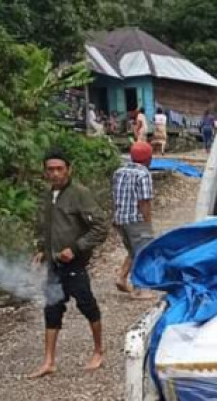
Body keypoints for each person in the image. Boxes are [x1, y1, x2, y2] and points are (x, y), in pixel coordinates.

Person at [30, 149, 109, 378]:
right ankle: (49, 361)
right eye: (50, 169)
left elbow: (100, 228)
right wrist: (41, 249)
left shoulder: (79, 194)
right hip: (54, 265)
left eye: (59, 169)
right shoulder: (47, 196)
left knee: (86, 304)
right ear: (45, 172)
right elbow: (48, 228)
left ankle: (98, 351)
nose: (55, 174)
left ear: (69, 169)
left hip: (74, 264)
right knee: (52, 308)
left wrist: (75, 249)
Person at [113, 141, 156, 299]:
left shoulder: (119, 171)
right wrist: (147, 222)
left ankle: (121, 277)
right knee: (143, 253)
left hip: (121, 218)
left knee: (132, 250)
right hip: (136, 219)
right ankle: (141, 288)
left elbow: (115, 195)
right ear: (148, 158)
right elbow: (144, 201)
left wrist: (115, 216)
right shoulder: (143, 174)